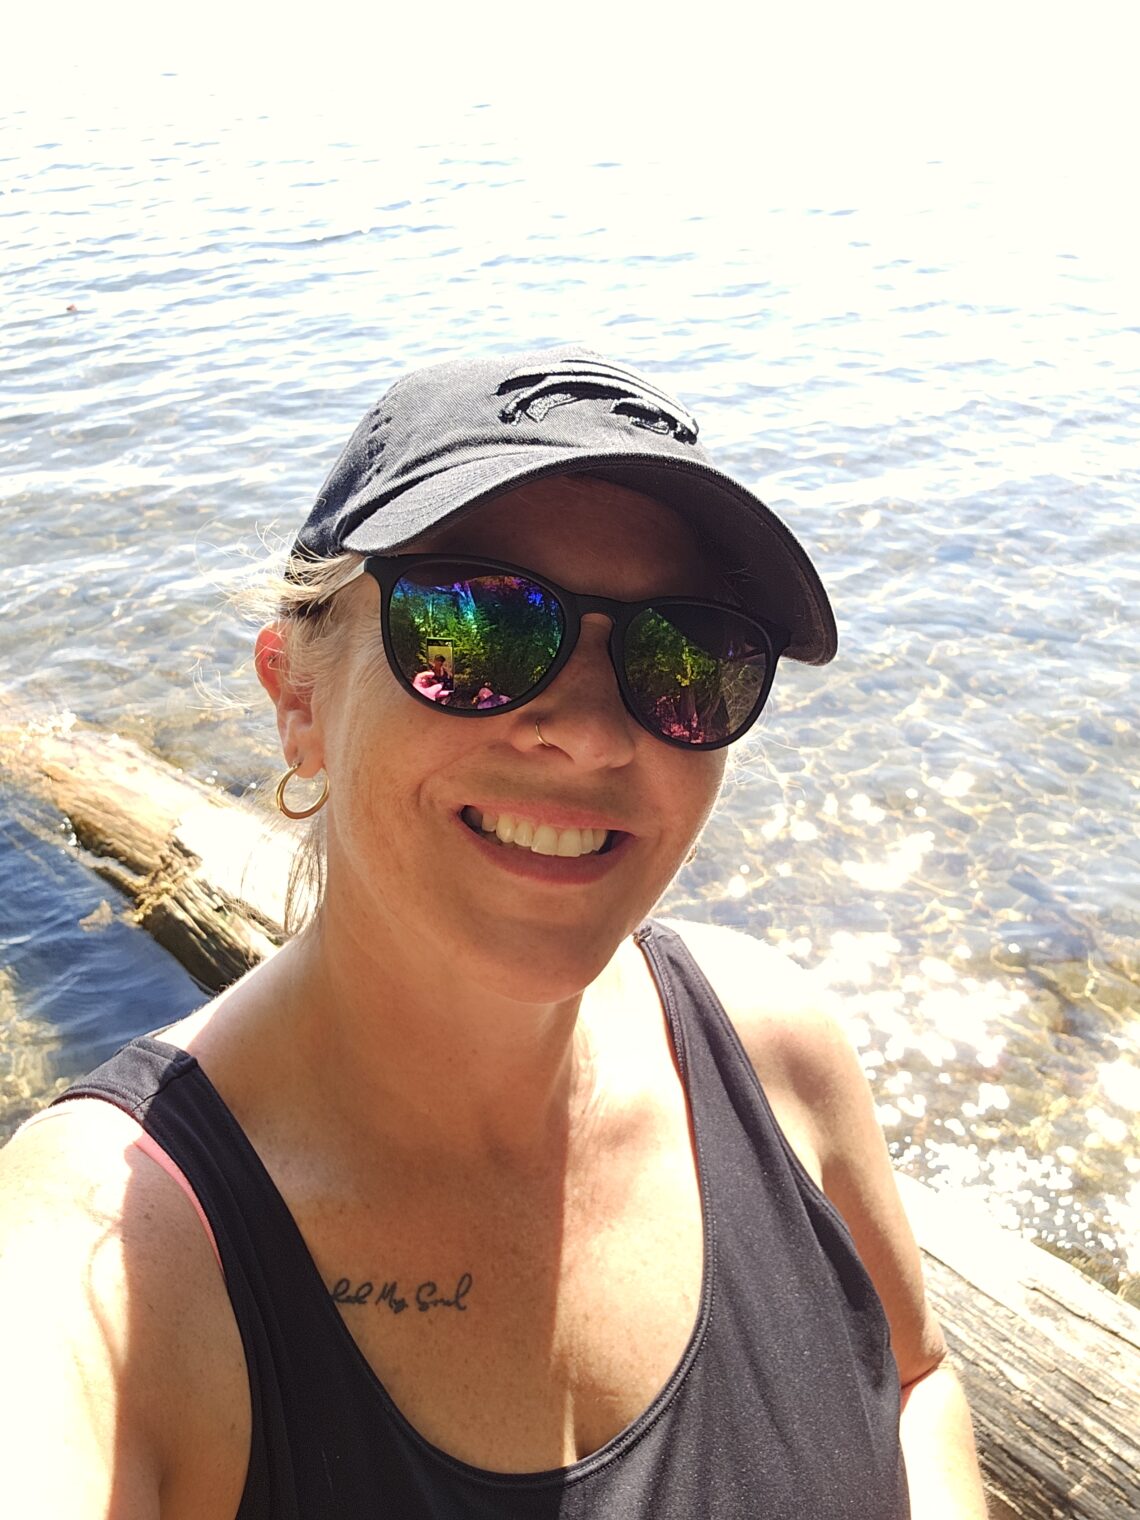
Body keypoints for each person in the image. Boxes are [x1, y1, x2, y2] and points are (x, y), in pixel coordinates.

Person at [0, 346, 988, 1518]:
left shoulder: (777, 1051)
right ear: (299, 696)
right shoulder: (96, 1257)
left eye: (686, 655)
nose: (592, 735)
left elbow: (915, 1380)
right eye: (473, 627)